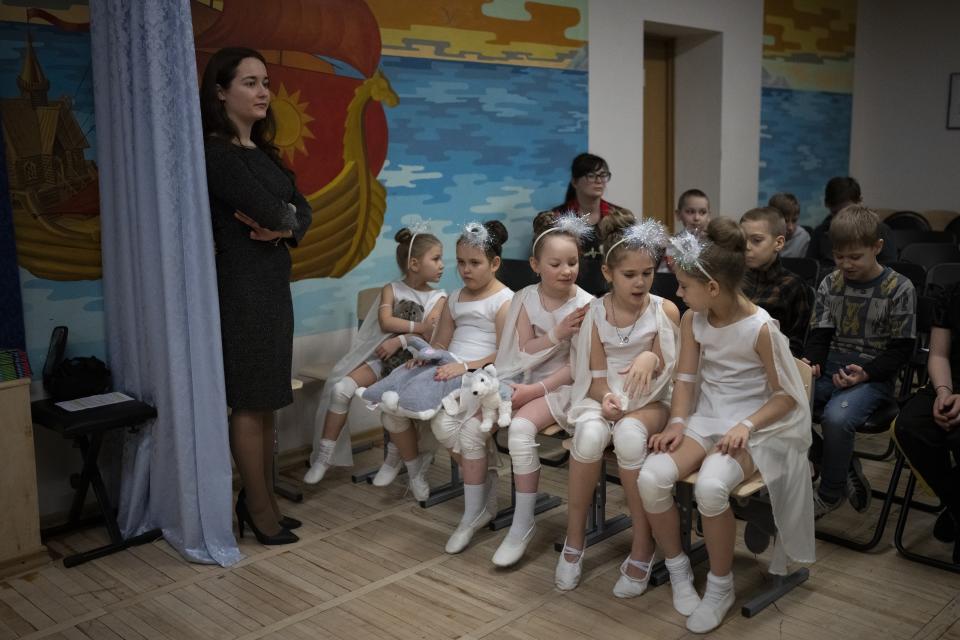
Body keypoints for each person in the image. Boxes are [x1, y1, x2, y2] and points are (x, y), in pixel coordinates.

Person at [638, 219, 814, 634]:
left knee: (711, 488)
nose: (678, 293)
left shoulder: (760, 328)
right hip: (705, 417)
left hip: (753, 425)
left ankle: (720, 585)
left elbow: (787, 395)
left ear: (712, 288)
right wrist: (678, 422)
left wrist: (747, 426)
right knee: (651, 477)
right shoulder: (693, 320)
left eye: (683, 286)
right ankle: (679, 567)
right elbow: (685, 381)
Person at [200, 47, 313, 545]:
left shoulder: (263, 154)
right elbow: (278, 213)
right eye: (249, 82)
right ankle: (259, 510)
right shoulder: (218, 153)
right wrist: (282, 221)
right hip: (241, 288)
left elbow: (300, 213)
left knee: (266, 399)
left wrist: (283, 225)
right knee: (249, 401)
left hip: (270, 285)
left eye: (264, 81)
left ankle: (259, 498)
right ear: (221, 91)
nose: (263, 91)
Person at [555, 215, 680, 596]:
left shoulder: (665, 311)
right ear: (609, 273)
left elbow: (668, 372)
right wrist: (606, 398)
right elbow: (592, 378)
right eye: (629, 274)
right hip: (602, 398)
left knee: (627, 438)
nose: (640, 282)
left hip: (651, 402)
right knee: (591, 435)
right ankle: (574, 541)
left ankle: (643, 546)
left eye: (647, 273)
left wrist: (649, 358)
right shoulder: (595, 313)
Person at [302, 228, 446, 486]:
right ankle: (324, 457)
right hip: (382, 358)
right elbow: (386, 320)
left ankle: (393, 460)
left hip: (412, 365)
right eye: (435, 258)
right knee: (341, 388)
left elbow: (429, 333)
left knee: (395, 407)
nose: (442, 265)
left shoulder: (439, 297)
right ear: (414, 264)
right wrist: (416, 328)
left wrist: (403, 336)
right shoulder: (391, 288)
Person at [490, 214, 594, 567]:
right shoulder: (524, 298)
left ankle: (522, 524)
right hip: (525, 377)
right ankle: (479, 507)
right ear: (535, 265)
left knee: (519, 429)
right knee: (471, 414)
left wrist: (532, 390)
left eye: (573, 262)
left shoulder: (586, 305)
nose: (566, 270)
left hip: (564, 387)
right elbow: (523, 349)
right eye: (556, 263)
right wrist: (555, 334)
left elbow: (578, 367)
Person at [804, 205, 916, 519]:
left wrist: (865, 373)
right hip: (832, 367)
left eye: (855, 257)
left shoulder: (899, 288)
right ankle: (836, 458)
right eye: (840, 257)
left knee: (837, 419)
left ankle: (829, 491)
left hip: (874, 374)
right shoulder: (830, 283)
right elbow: (820, 334)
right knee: (783, 403)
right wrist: (811, 361)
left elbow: (901, 349)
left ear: (876, 247)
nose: (846, 264)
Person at [895, 282, 960, 564]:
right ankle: (956, 503)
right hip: (950, 380)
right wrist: (943, 392)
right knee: (910, 427)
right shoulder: (951, 293)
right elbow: (938, 355)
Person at [533, 153, 632, 292]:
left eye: (603, 175)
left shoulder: (619, 216)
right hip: (568, 291)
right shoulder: (558, 217)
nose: (599, 180)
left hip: (611, 292)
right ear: (574, 181)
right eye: (591, 175)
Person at [740, 207, 812, 356]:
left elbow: (796, 343)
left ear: (778, 243)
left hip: (769, 362)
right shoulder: (733, 281)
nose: (746, 247)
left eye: (756, 240)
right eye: (742, 240)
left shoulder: (793, 286)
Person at [807, 176, 896, 267]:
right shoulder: (820, 232)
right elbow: (810, 269)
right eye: (835, 213)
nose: (842, 218)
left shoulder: (879, 230)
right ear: (827, 205)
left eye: (848, 210)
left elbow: (890, 267)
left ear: (859, 201)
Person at [658, 189, 711, 272]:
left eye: (702, 212)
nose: (697, 218)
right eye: (690, 212)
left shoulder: (713, 244)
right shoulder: (672, 245)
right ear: (678, 215)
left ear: (709, 216)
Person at [768, 192, 810, 258]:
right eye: (785, 221)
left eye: (794, 221)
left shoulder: (803, 238)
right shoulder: (764, 235)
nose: (790, 228)